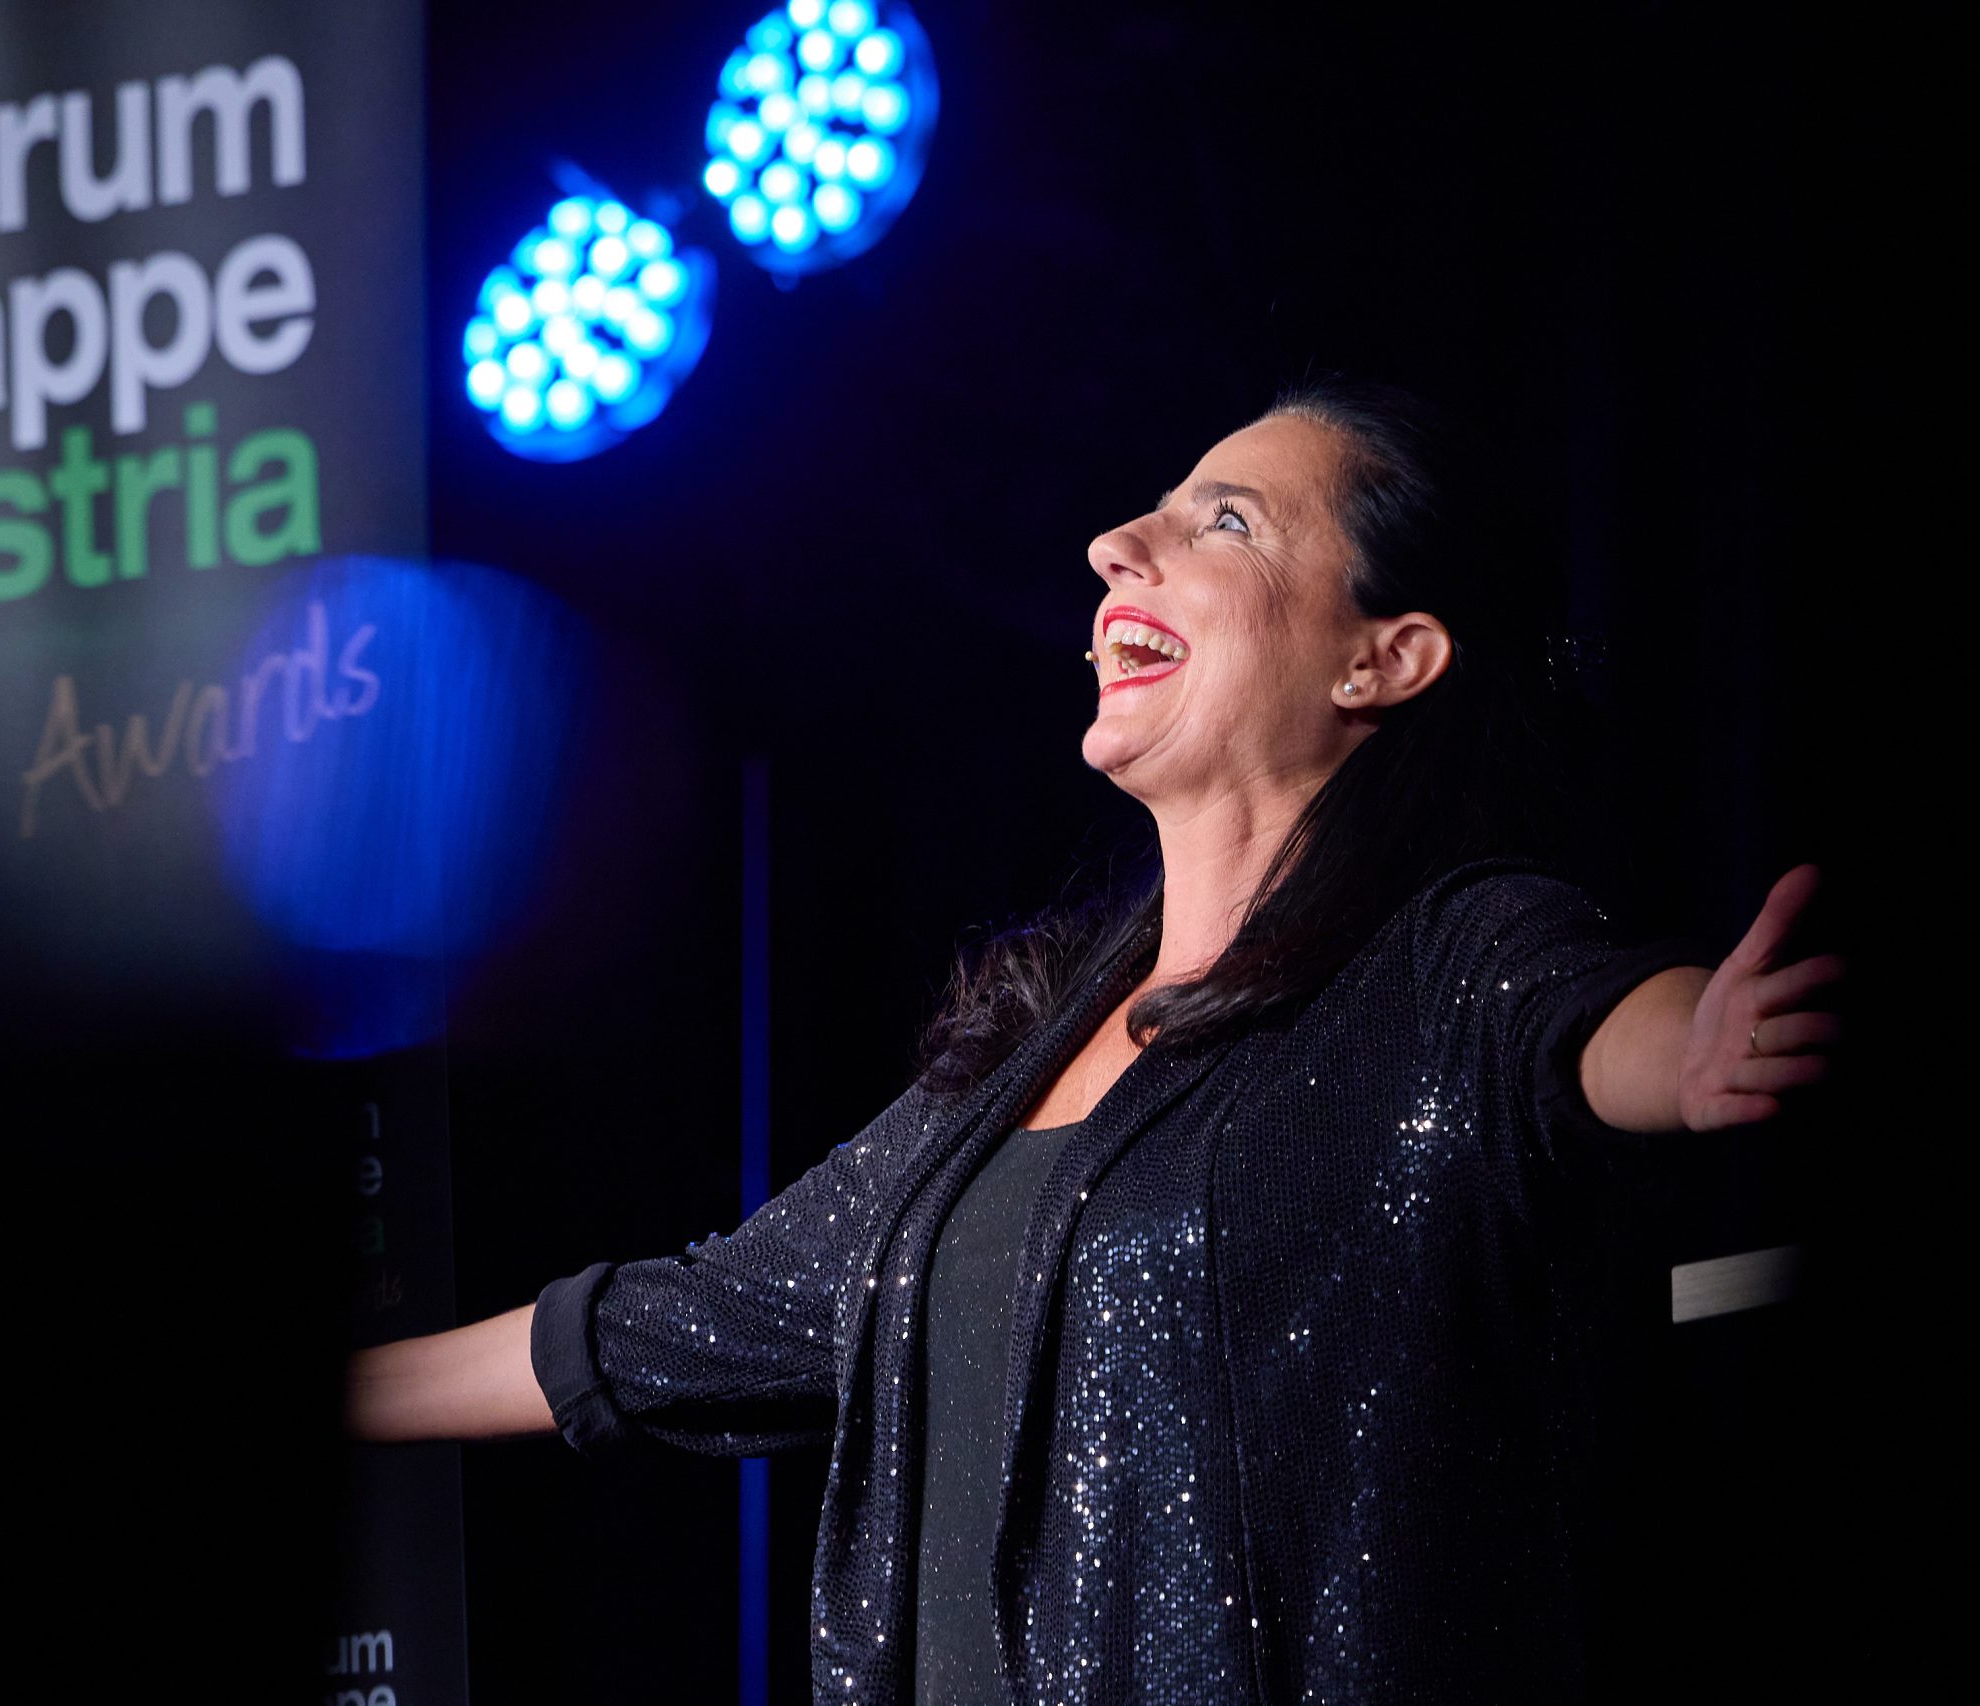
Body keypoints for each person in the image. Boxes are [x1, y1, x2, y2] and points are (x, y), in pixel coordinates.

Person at [338, 380, 1843, 1703]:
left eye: (1225, 522)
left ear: (1383, 659)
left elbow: (1583, 1030)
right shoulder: (1022, 1056)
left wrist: (1698, 1044)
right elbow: (678, 1323)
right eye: (1153, 513)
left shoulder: (1453, 958)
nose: (1118, 544)